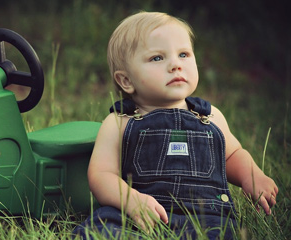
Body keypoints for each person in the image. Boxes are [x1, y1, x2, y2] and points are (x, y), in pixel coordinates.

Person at [73, 11, 278, 239]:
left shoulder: (210, 117)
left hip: (206, 216)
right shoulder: (120, 121)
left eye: (183, 54)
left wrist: (252, 176)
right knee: (101, 229)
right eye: (157, 58)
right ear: (126, 80)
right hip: (138, 215)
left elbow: (232, 155)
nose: (175, 65)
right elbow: (101, 174)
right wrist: (131, 201)